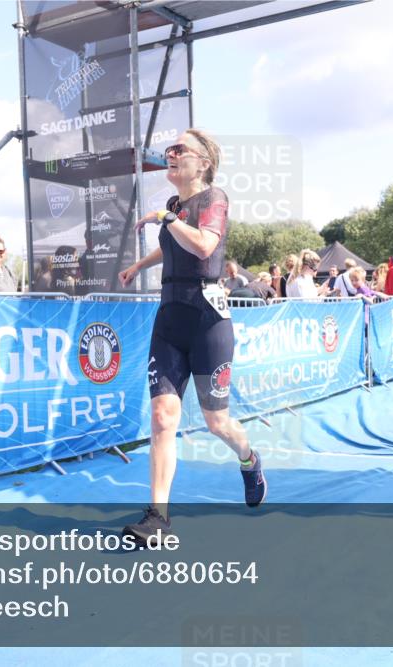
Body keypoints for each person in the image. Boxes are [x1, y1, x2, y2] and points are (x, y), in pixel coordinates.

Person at [118, 129, 265, 545]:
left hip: (207, 320)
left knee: (217, 421)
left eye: (180, 150)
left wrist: (168, 219)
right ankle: (158, 518)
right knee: (164, 417)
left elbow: (202, 246)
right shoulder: (174, 207)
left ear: (203, 163)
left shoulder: (213, 199)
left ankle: (249, 459)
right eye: (169, 150)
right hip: (169, 317)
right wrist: (139, 266)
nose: (172, 154)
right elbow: (172, 247)